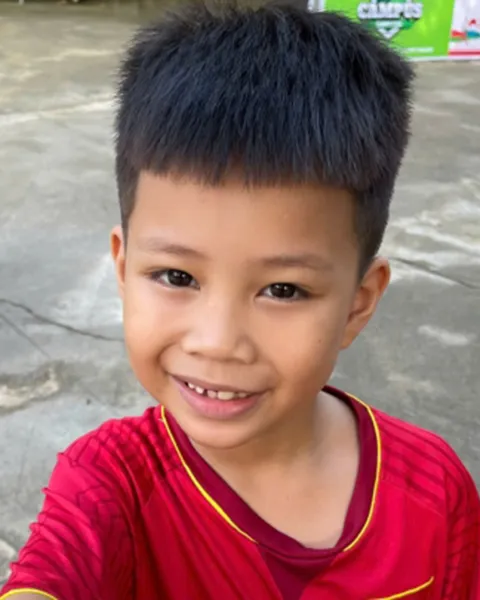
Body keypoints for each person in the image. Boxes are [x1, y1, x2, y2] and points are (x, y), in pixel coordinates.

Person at [1, 3, 479, 599]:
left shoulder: (434, 492)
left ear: (358, 305)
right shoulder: (109, 484)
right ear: (122, 269)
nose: (218, 341)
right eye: (176, 276)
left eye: (283, 290)